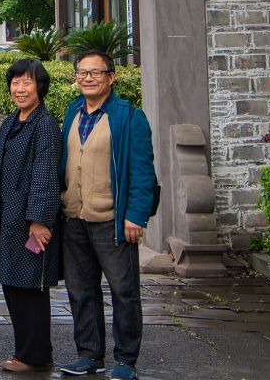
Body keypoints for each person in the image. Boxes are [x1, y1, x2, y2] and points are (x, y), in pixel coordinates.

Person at [56, 52, 159, 380]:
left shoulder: (129, 116)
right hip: (74, 218)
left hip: (112, 221)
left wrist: (136, 216)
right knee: (80, 291)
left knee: (123, 291)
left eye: (95, 73)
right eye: (82, 73)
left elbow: (142, 172)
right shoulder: (73, 111)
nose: (87, 78)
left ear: (111, 77)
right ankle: (89, 355)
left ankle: (126, 359)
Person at [0, 59, 63, 373]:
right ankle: (28, 350)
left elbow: (45, 174)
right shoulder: (11, 121)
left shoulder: (45, 124)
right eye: (15, 83)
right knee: (12, 283)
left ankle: (34, 355)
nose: (20, 89)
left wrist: (39, 220)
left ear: (40, 87)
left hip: (29, 221)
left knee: (30, 287)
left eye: (27, 82)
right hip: (6, 215)